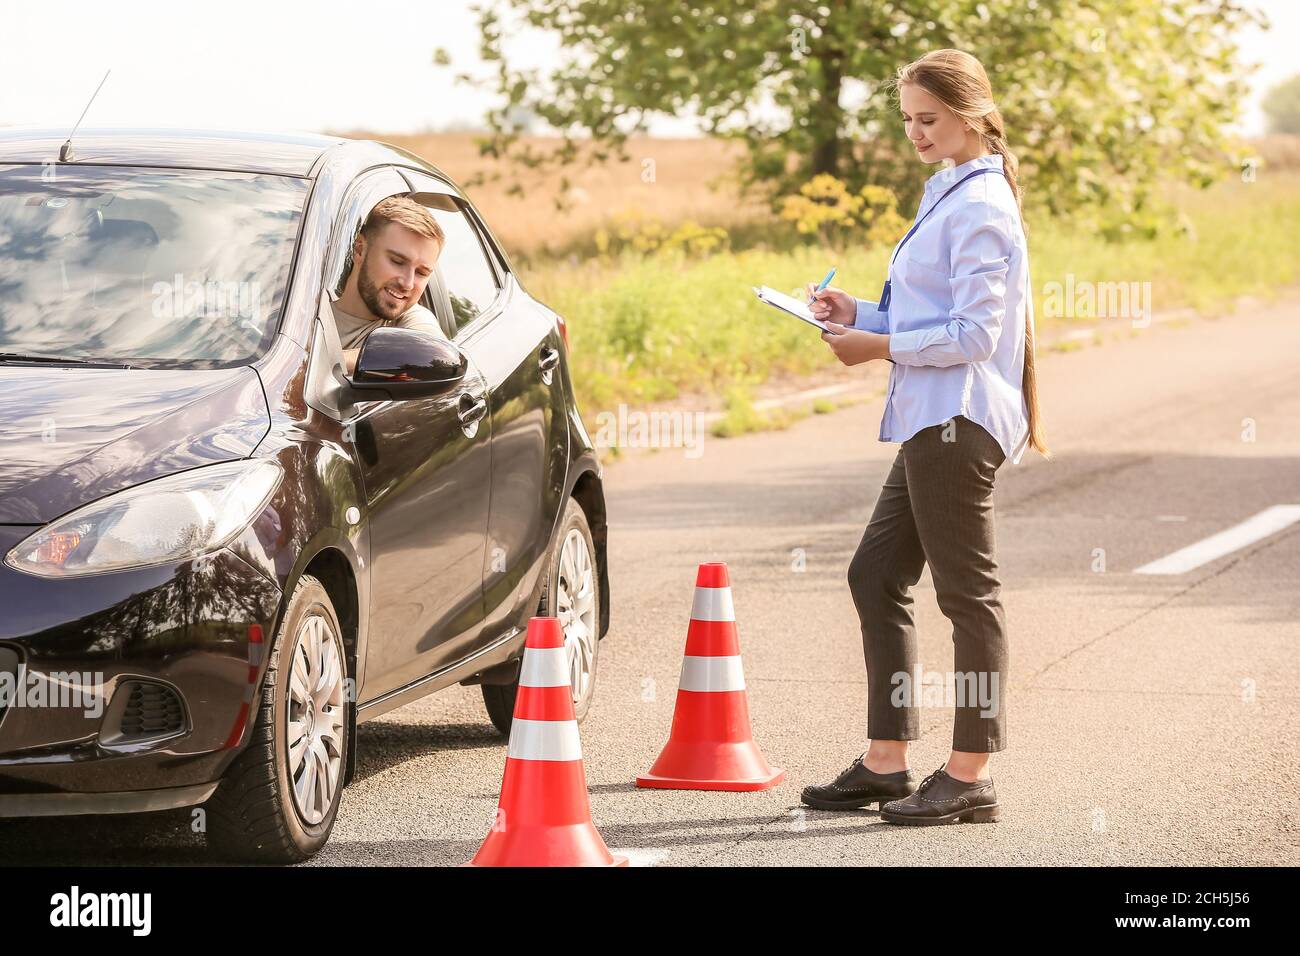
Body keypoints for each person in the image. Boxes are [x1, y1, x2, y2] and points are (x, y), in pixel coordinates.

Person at [799, 49, 1049, 826]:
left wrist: (877, 347)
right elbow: (930, 316)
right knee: (875, 575)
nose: (914, 132)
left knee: (968, 597)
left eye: (928, 119)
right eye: (907, 118)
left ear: (970, 114)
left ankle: (970, 772)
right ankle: (886, 762)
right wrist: (860, 315)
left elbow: (973, 334)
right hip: (927, 419)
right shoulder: (947, 189)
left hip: (956, 421)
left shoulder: (982, 205)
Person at [332, 195, 447, 375]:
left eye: (421, 273)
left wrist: (324, 364)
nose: (407, 284)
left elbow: (433, 353)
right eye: (397, 261)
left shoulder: (410, 320)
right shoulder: (299, 315)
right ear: (360, 250)